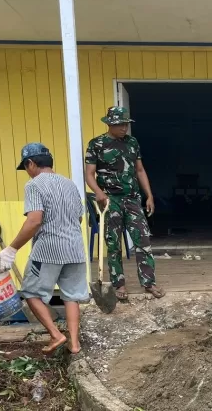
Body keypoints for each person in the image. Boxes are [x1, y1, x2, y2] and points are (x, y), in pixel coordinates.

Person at [0, 143, 87, 355]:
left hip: (48, 250)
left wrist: (11, 249)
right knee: (71, 296)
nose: (27, 172)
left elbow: (34, 221)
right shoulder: (70, 184)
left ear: (31, 163)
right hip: (75, 248)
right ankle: (74, 345)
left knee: (30, 292)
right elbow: (79, 217)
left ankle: (56, 335)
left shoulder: (34, 185)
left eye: (26, 167)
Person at [85, 106, 164, 300]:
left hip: (132, 198)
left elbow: (139, 170)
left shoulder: (132, 142)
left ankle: (149, 282)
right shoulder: (97, 144)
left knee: (143, 239)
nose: (124, 128)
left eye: (126, 124)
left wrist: (149, 195)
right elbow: (89, 174)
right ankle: (118, 284)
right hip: (110, 199)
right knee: (113, 244)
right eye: (120, 124)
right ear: (110, 124)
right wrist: (98, 193)